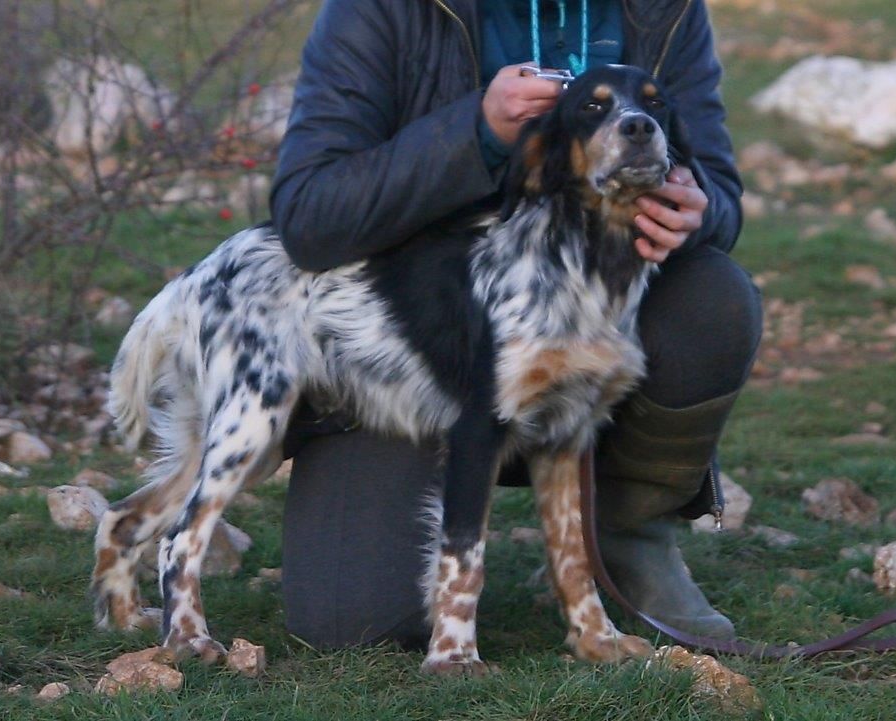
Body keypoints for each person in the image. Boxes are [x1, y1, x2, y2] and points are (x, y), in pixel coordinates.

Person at [269, 0, 762, 650]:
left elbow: (717, 188)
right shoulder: (380, 9)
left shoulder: (663, 9)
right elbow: (307, 218)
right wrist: (474, 131)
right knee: (351, 620)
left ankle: (627, 529)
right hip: (412, 345)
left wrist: (699, 209)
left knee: (713, 297)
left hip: (594, 310)